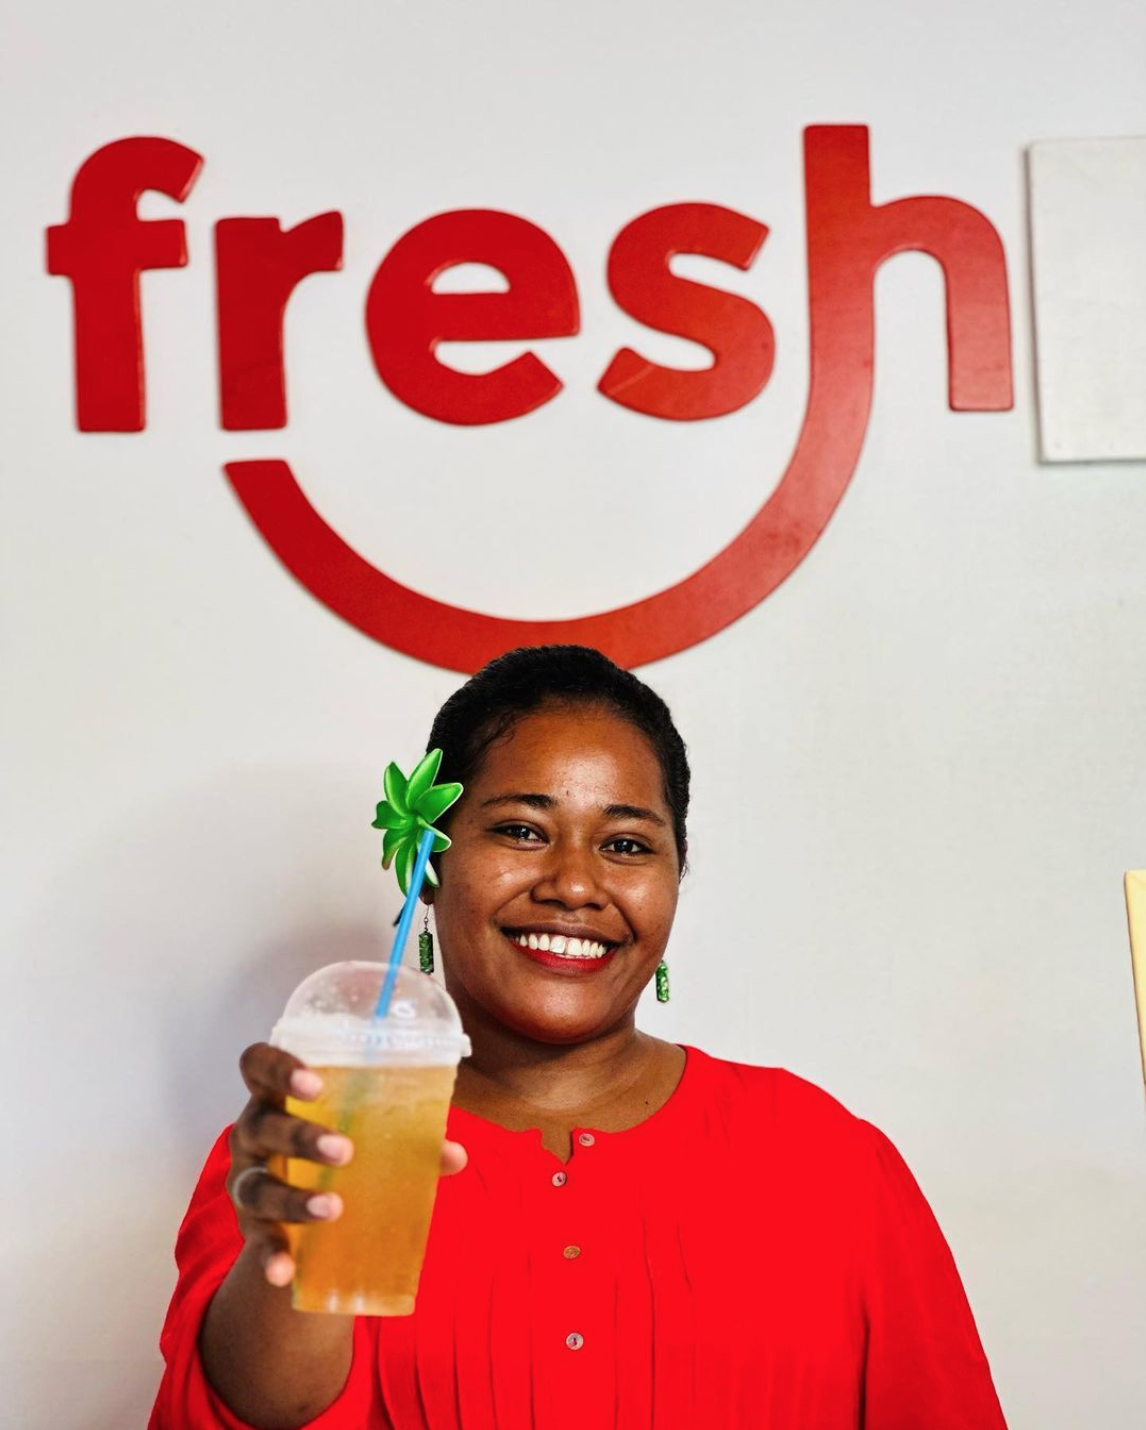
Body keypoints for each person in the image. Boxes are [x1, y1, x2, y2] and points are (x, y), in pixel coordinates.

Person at [149, 645, 1008, 1430]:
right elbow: (256, 1412)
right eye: (522, 830)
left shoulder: (829, 1160)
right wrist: (293, 1247)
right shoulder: (308, 1146)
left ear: (676, 877)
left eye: (626, 844)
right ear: (429, 863)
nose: (574, 884)